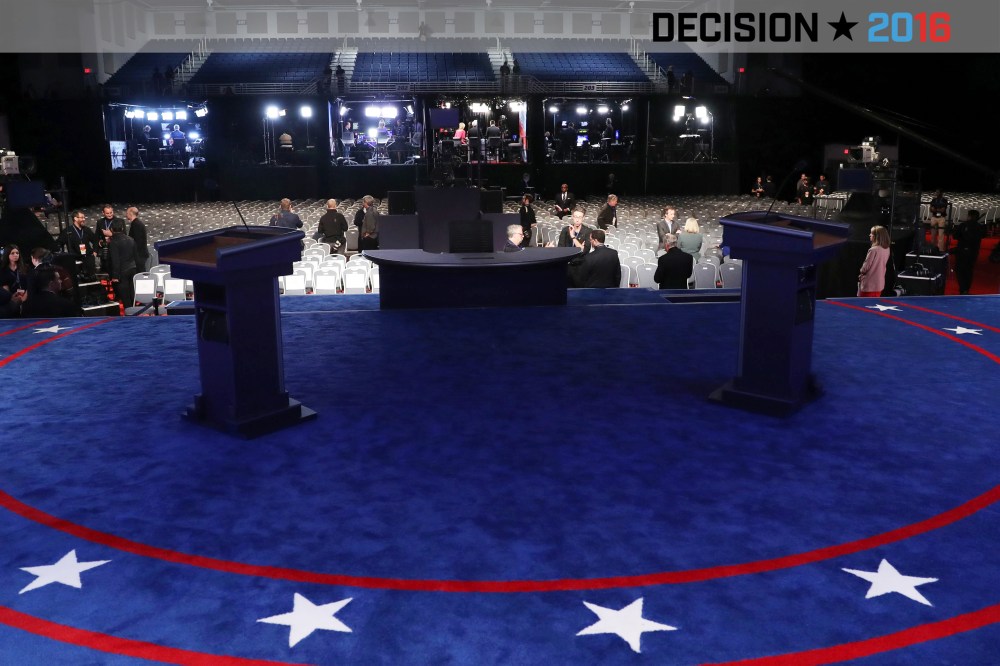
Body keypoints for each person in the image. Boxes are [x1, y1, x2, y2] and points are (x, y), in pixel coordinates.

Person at [950, 209, 985, 295]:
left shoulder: (963, 225)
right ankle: (966, 288)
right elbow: (983, 235)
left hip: (962, 251)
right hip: (973, 252)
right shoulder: (980, 227)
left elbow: (955, 236)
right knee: (969, 270)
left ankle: (963, 288)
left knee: (960, 270)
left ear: (969, 216)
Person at [108, 219, 138, 309]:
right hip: (133, 269)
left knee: (125, 296)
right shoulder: (131, 239)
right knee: (132, 293)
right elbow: (136, 256)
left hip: (122, 272)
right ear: (122, 228)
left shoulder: (113, 242)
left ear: (111, 229)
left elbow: (115, 260)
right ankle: (135, 312)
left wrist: (115, 276)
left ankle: (129, 314)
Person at [61, 210, 98, 278]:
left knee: (91, 277)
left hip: (88, 257)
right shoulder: (67, 231)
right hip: (75, 258)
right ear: (75, 218)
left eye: (84, 217)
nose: (84, 219)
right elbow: (59, 243)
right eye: (82, 217)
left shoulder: (86, 229)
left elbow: (95, 240)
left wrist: (95, 251)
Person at [857, 225, 891, 297]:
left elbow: (865, 268)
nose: (869, 235)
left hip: (869, 285)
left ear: (877, 236)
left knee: (863, 303)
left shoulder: (873, 250)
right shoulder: (887, 249)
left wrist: (861, 271)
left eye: (871, 233)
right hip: (879, 284)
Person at [96, 204, 124, 272]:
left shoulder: (120, 221)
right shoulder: (100, 222)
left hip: (116, 249)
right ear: (103, 213)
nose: (110, 215)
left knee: (115, 269)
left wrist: (111, 235)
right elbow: (96, 236)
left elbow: (124, 235)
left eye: (111, 212)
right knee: (105, 269)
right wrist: (99, 242)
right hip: (104, 249)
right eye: (107, 213)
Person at [125, 206, 149, 272]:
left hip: (139, 255)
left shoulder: (136, 224)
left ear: (131, 214)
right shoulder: (136, 223)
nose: (126, 215)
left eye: (127, 213)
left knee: (141, 273)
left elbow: (137, 241)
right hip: (139, 254)